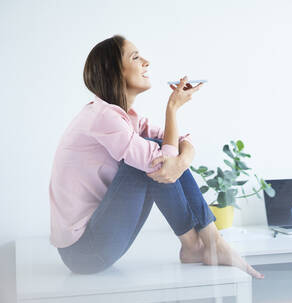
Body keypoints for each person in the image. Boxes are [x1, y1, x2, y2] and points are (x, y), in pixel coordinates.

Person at [49, 34, 263, 279]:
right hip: (84, 253)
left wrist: (181, 162)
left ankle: (203, 244)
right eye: (136, 57)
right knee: (150, 159)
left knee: (155, 152)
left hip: (100, 240)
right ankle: (202, 244)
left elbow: (183, 143)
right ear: (114, 71)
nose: (146, 62)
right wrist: (172, 108)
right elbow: (162, 161)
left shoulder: (126, 117)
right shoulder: (102, 118)